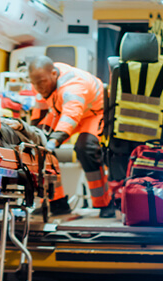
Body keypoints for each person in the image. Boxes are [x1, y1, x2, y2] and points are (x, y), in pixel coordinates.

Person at [27, 56, 115, 218]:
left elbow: (71, 116)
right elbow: (39, 112)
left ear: (54, 74)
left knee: (85, 148)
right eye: (35, 83)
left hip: (93, 113)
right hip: (63, 113)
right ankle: (56, 203)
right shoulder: (41, 79)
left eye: (42, 82)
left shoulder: (73, 86)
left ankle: (105, 203)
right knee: (39, 148)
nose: (38, 87)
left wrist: (54, 141)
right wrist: (33, 136)